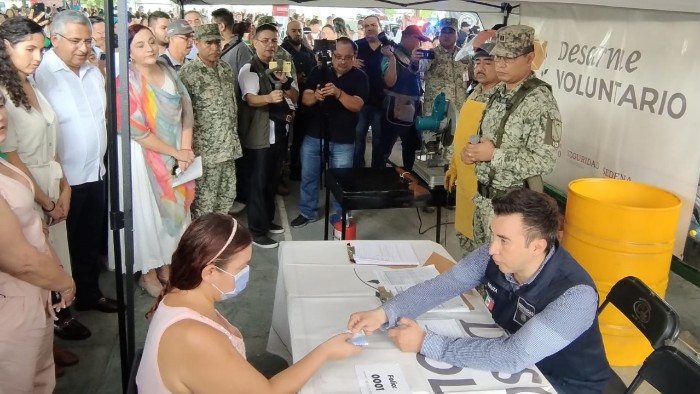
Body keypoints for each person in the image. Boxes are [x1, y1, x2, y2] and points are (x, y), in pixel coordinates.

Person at [348, 188, 610, 393]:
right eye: (493, 236)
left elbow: (513, 356)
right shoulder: (492, 255)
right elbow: (441, 287)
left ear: (537, 246)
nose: (492, 248)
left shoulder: (575, 296)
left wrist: (424, 342)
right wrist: (385, 312)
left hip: (561, 383)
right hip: (517, 360)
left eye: (503, 240)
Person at [136, 213, 362, 392]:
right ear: (210, 272)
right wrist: (324, 351)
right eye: (240, 268)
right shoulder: (193, 336)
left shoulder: (180, 292)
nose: (246, 274)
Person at [34, 10, 117, 313]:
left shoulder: (93, 72)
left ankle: (90, 294)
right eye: (75, 41)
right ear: (54, 39)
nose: (84, 48)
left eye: (88, 41)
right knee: (59, 248)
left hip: (95, 172)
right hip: (62, 180)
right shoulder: (39, 76)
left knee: (88, 240)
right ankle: (61, 311)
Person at [0, 89, 77, 393]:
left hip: (34, 293)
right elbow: (20, 260)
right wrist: (64, 282)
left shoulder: (4, 158)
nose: (0, 115)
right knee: (17, 380)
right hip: (11, 302)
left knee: (40, 375)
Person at [461, 25, 560, 246]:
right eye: (498, 57)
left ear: (529, 57)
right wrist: (471, 151)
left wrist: (492, 155)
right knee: (483, 269)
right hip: (484, 202)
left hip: (514, 211)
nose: (501, 63)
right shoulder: (498, 92)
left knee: (506, 274)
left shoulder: (540, 101)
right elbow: (485, 137)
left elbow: (544, 161)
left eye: (509, 57)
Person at [116, 24, 195, 297]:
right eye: (140, 45)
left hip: (175, 153)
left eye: (151, 41)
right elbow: (136, 131)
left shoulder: (168, 70)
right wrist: (175, 153)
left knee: (174, 213)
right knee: (148, 215)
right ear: (128, 52)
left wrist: (184, 149)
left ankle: (167, 265)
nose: (149, 48)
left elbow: (187, 111)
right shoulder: (126, 82)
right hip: (143, 158)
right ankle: (148, 272)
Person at [291, 37, 368, 228]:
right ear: (332, 55)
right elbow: (305, 98)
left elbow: (356, 105)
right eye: (338, 56)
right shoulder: (319, 71)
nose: (342, 61)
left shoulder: (360, 77)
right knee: (309, 176)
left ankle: (341, 215)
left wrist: (338, 93)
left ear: (354, 57)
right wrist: (316, 95)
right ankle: (307, 211)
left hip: (343, 139)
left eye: (348, 57)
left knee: (341, 180)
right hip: (315, 135)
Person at [237, 23, 298, 249]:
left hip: (278, 134)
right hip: (259, 137)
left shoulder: (277, 65)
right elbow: (250, 98)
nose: (271, 45)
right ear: (254, 42)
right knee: (258, 184)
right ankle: (256, 231)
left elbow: (293, 94)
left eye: (274, 40)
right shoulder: (249, 69)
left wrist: (286, 82)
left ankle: (267, 221)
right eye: (265, 40)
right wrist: (269, 98)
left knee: (271, 181)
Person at [179, 24, 241, 219]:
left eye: (217, 42)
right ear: (196, 43)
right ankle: (204, 248)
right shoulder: (187, 74)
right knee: (204, 207)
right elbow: (182, 117)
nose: (215, 47)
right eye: (209, 43)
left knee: (226, 198)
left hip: (228, 148)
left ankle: (219, 244)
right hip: (205, 154)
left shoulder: (225, 68)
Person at [444, 41, 499, 255]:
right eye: (477, 62)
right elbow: (461, 134)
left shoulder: (500, 100)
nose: (480, 67)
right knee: (465, 238)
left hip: (484, 188)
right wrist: (454, 166)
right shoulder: (474, 92)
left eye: (488, 62)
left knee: (485, 248)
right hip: (465, 182)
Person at [375, 25, 428, 171]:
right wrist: (391, 57)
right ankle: (378, 178)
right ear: (410, 37)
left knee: (410, 145)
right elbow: (389, 81)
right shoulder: (392, 53)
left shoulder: (408, 54)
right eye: (418, 40)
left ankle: (408, 177)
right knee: (385, 146)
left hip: (410, 106)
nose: (419, 44)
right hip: (394, 107)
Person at [280, 19, 317, 180]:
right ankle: (292, 169)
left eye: (299, 30)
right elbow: (280, 76)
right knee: (291, 139)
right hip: (290, 100)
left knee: (305, 136)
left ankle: (302, 168)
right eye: (293, 30)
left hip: (309, 100)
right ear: (288, 32)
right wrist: (296, 80)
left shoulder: (308, 51)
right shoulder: (282, 52)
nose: (297, 33)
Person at [420, 18, 472, 116]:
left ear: (457, 34)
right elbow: (420, 67)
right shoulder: (432, 53)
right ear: (439, 34)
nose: (446, 35)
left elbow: (469, 77)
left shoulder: (464, 55)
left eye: (451, 32)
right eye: (443, 32)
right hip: (436, 111)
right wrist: (414, 61)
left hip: (458, 109)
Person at [353, 15, 385, 168]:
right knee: (358, 138)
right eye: (366, 26)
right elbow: (341, 62)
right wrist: (351, 62)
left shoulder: (388, 47)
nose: (370, 28)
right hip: (360, 101)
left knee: (379, 140)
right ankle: (357, 171)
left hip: (381, 101)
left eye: (373, 25)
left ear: (379, 26)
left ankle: (377, 173)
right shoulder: (356, 47)